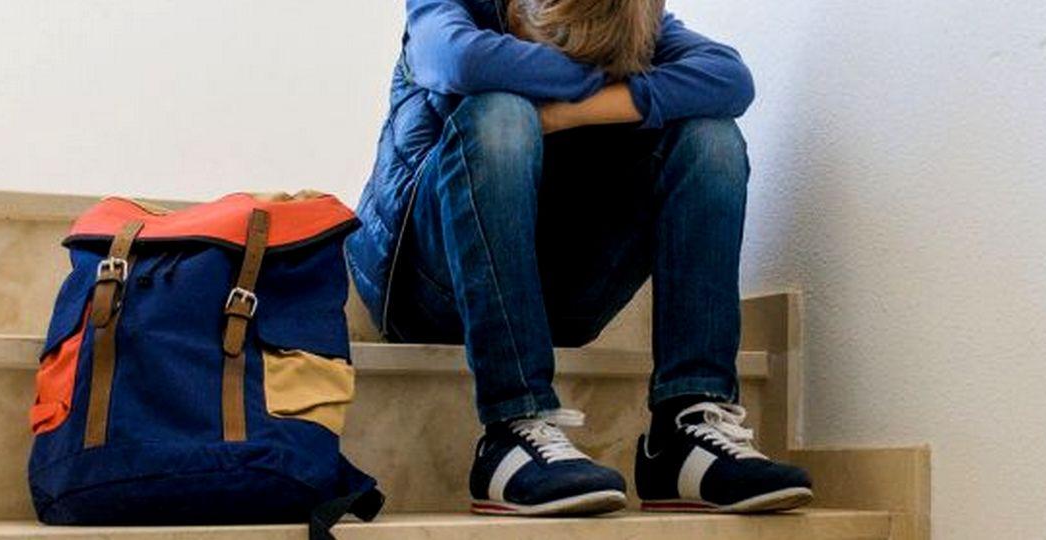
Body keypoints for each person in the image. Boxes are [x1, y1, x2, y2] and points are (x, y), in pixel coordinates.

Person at [346, 0, 813, 516]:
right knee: (501, 112)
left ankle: (686, 428)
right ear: (520, 9)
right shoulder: (448, 9)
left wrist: (570, 111)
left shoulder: (626, 15)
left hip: (562, 297)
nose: (573, 65)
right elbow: (464, 62)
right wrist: (609, 81)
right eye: (556, 51)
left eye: (594, 61)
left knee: (711, 137)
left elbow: (730, 78)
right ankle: (514, 426)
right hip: (426, 286)